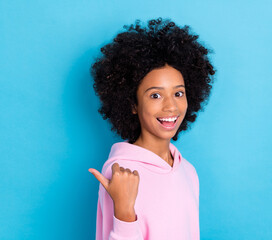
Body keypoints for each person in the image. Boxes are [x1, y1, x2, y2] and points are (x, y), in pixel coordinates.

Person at [88, 17, 216, 240]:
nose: (171, 106)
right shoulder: (120, 173)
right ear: (133, 105)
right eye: (155, 95)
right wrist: (125, 213)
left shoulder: (188, 171)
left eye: (178, 93)